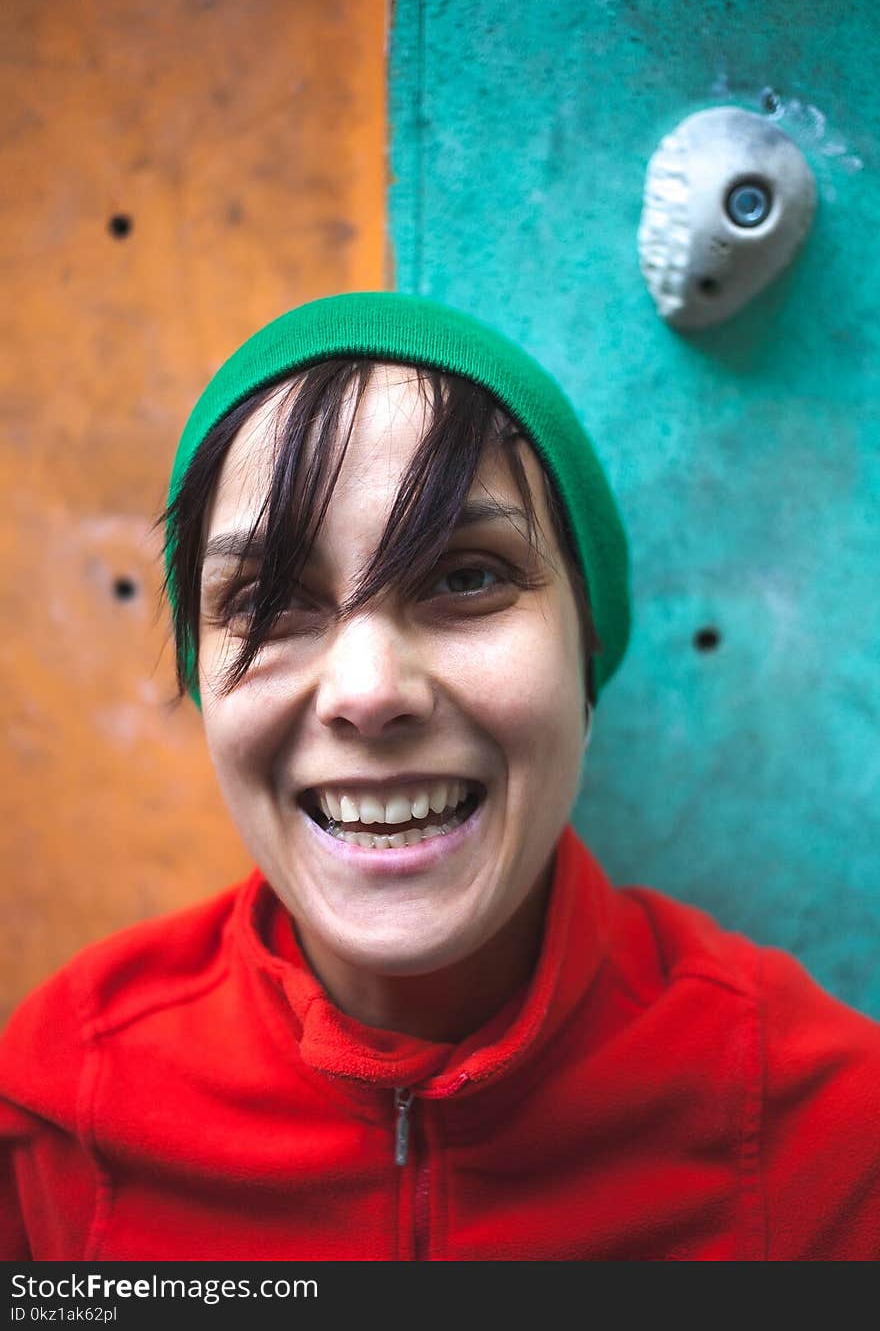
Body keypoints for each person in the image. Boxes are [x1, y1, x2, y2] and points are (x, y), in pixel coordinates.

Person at [1, 292, 878, 1261]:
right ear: (201, 675)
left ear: (585, 641)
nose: (370, 692)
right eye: (267, 600)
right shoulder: (53, 1111)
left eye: (468, 576)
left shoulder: (819, 1132)